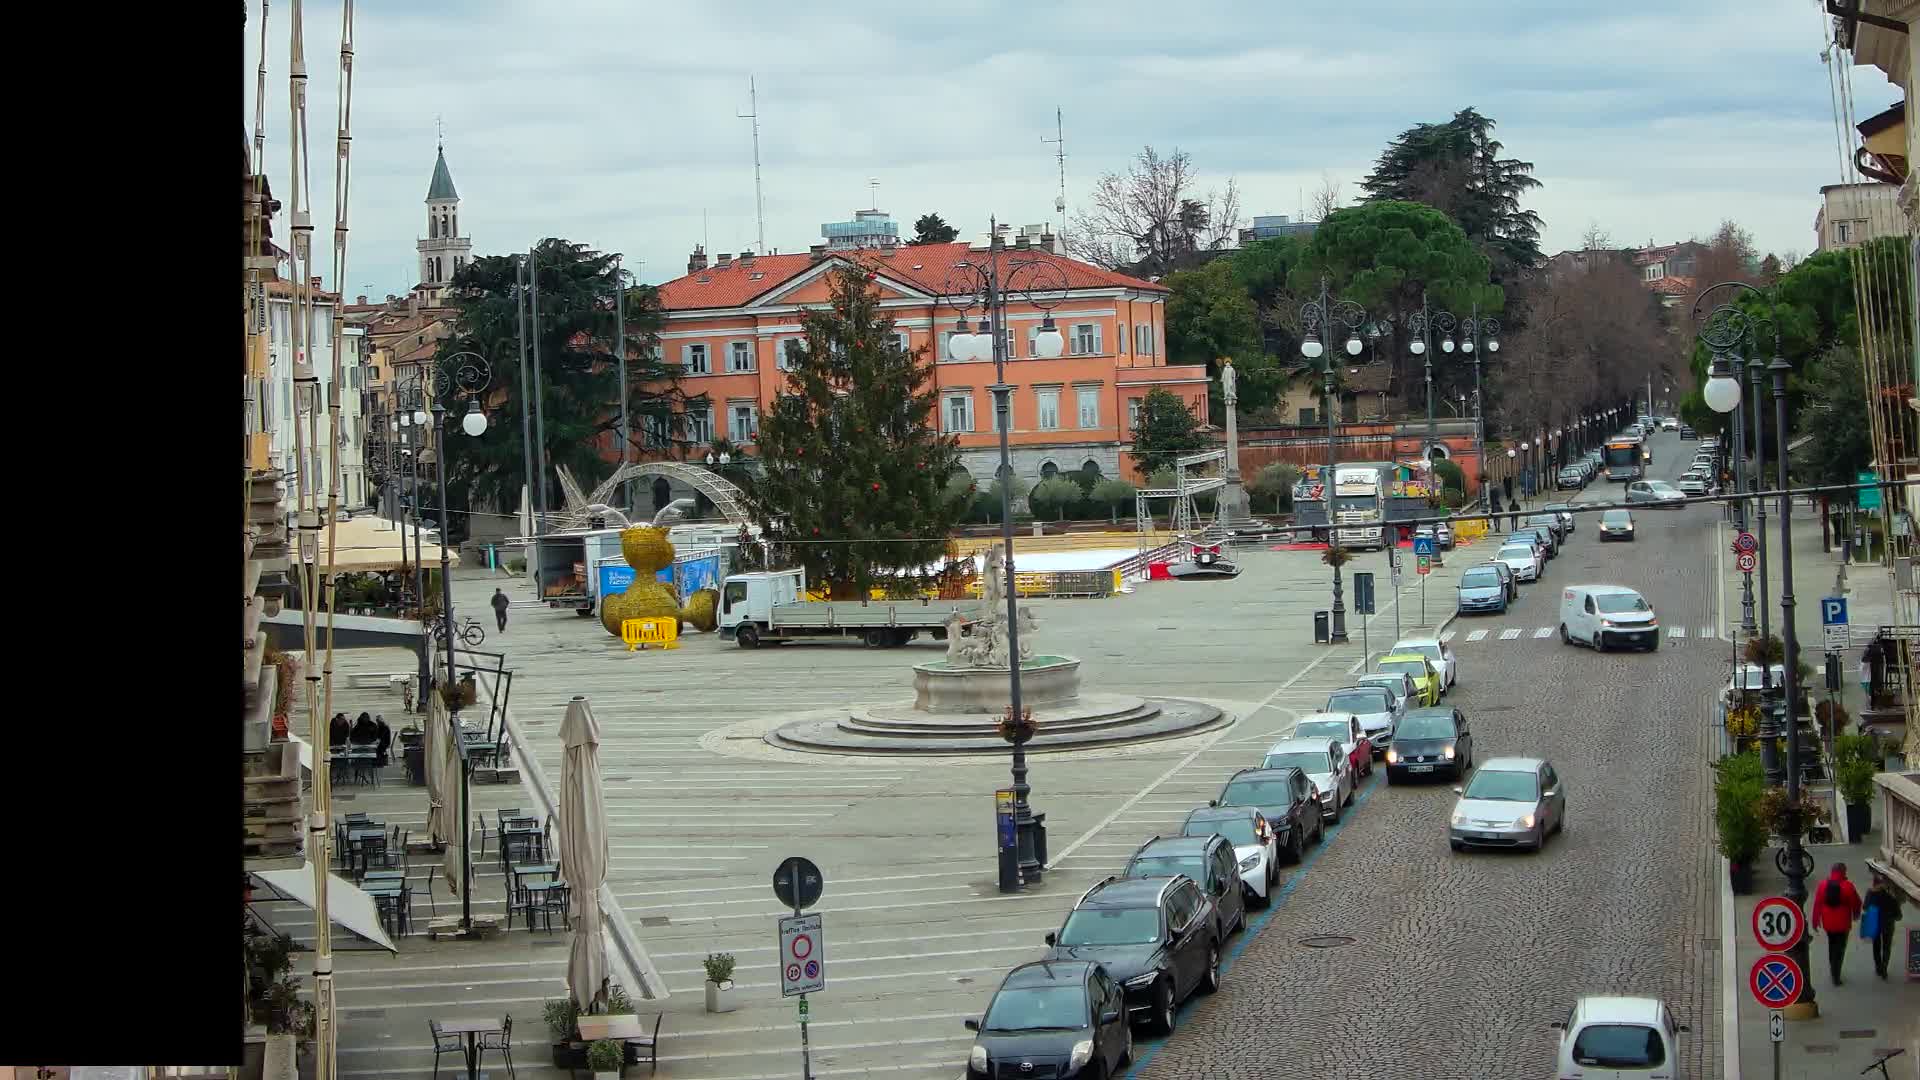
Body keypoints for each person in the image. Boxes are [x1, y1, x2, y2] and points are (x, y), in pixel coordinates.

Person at [1810, 861, 1864, 984]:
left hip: (1828, 922)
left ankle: (1832, 968)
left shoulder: (1823, 885)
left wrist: (1815, 921)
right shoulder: (1848, 886)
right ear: (1843, 872)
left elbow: (1817, 904)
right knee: (1840, 948)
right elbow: (1856, 902)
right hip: (1843, 923)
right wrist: (1856, 914)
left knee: (1832, 945)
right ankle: (1836, 973)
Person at [1862, 871, 1904, 979]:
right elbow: (1898, 916)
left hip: (1874, 923)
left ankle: (1878, 967)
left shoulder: (1870, 893)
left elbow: (1865, 907)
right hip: (1888, 925)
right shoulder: (1892, 896)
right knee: (1886, 947)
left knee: (1876, 946)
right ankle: (1884, 968)